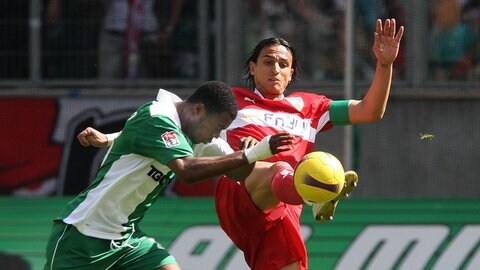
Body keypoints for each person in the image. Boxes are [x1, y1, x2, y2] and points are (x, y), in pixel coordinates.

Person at [80, 18, 404, 270]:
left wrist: (385, 64)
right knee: (278, 165)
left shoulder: (311, 106)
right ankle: (318, 189)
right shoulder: (232, 101)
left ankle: (314, 190)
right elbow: (168, 123)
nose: (274, 68)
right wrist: (109, 138)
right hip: (241, 185)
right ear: (253, 67)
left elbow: (370, 110)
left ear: (292, 73)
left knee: (290, 260)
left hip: (282, 209)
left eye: (282, 64)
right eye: (267, 61)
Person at [43, 80, 295, 270]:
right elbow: (186, 171)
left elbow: (238, 172)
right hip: (82, 235)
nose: (214, 136)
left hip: (125, 237)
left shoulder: (197, 133)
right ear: (199, 110)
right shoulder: (158, 117)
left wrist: (250, 152)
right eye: (218, 127)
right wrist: (254, 154)